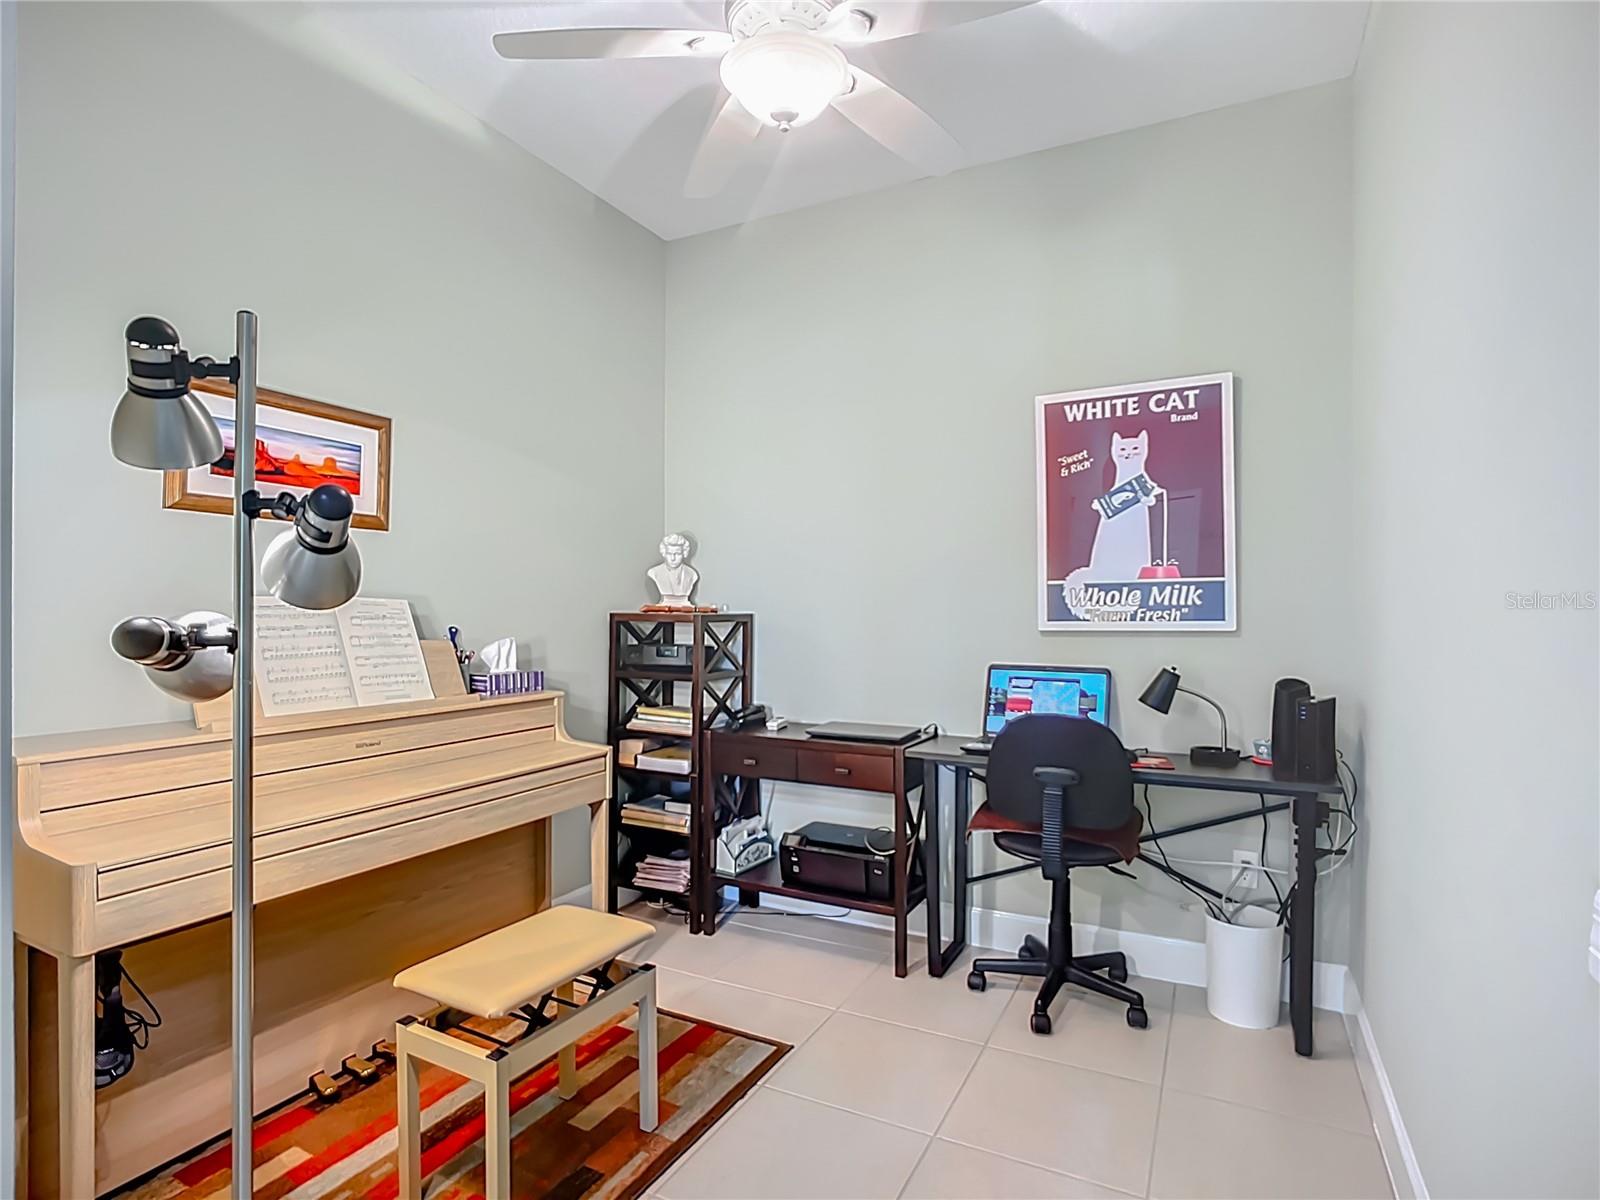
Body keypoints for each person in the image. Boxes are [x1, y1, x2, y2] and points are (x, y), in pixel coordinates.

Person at [647, 532, 698, 605]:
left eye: (677, 554)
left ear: (684, 553)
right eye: (669, 553)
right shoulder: (654, 572)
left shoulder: (692, 574)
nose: (673, 558)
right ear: (664, 553)